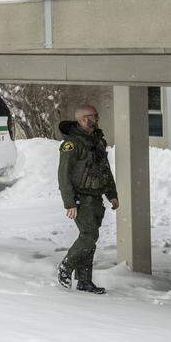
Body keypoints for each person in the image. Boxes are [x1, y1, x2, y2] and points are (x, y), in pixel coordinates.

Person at [56, 103, 119, 294]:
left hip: (96, 198)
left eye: (97, 116)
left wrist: (112, 194)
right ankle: (66, 267)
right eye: (93, 116)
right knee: (89, 236)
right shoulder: (71, 144)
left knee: (90, 239)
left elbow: (104, 170)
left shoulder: (97, 141)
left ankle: (84, 280)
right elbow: (63, 175)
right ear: (83, 119)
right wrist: (69, 202)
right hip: (80, 199)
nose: (97, 119)